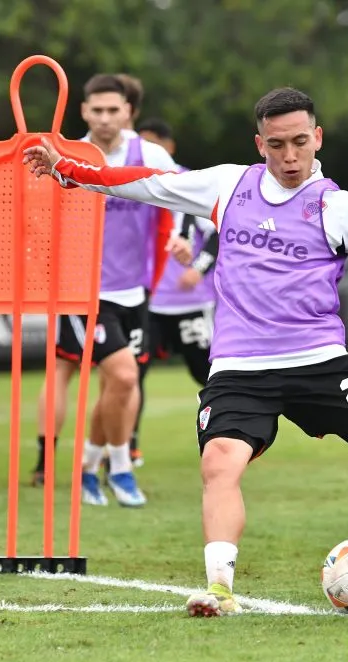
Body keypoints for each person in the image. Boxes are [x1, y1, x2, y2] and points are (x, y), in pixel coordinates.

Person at [23, 87, 348, 618]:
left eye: (300, 142)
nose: (290, 156)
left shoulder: (339, 207)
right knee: (219, 463)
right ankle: (220, 589)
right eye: (277, 145)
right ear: (260, 144)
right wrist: (66, 168)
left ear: (317, 138)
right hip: (239, 365)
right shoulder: (229, 185)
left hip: (318, 360)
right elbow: (144, 184)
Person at [32, 73, 189, 509]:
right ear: (84, 111)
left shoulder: (150, 154)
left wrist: (179, 237)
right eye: (96, 110)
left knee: (118, 386)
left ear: (129, 113)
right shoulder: (64, 155)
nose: (104, 118)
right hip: (82, 293)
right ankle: (118, 467)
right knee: (121, 375)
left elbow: (180, 199)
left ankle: (91, 466)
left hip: (134, 290)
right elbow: (38, 218)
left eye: (113, 110)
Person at [126, 118, 220, 467]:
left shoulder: (189, 183)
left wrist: (198, 269)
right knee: (132, 374)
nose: (146, 153)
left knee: (210, 374)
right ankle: (128, 445)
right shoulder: (134, 182)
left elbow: (216, 232)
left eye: (153, 145)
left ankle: (227, 435)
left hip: (190, 303)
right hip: (146, 300)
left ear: (169, 147)